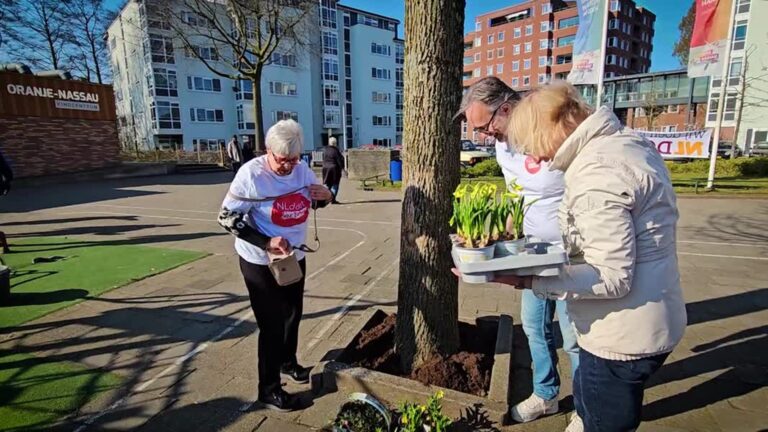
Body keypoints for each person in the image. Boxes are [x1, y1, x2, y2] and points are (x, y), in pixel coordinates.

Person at [499, 81, 687, 432]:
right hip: (649, 319)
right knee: (590, 409)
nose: (535, 158)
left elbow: (610, 276)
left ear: (552, 126)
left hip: (620, 337)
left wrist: (531, 280)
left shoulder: (597, 171)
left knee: (603, 420)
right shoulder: (624, 145)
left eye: (532, 145)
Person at [456, 77, 580, 425]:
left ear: (506, 109)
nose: (483, 135)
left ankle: (587, 406)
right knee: (534, 327)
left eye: (485, 126)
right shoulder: (502, 146)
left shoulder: (552, 128)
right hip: (532, 252)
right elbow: (517, 197)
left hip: (573, 255)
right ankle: (546, 394)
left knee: (573, 335)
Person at [217, 120, 333, 412]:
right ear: (268, 151)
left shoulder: (301, 169)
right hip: (259, 259)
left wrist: (326, 197)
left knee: (293, 313)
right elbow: (226, 218)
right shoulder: (251, 175)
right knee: (270, 325)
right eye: (283, 161)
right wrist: (265, 241)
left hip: (293, 256)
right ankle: (268, 390)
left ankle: (288, 362)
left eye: (295, 159)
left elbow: (311, 201)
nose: (289, 167)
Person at [322, 136, 344, 204]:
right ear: (335, 143)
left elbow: (323, 158)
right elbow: (339, 160)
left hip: (325, 168)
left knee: (327, 184)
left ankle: (325, 198)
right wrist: (342, 168)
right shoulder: (336, 150)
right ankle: (332, 199)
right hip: (334, 169)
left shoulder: (325, 149)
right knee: (335, 184)